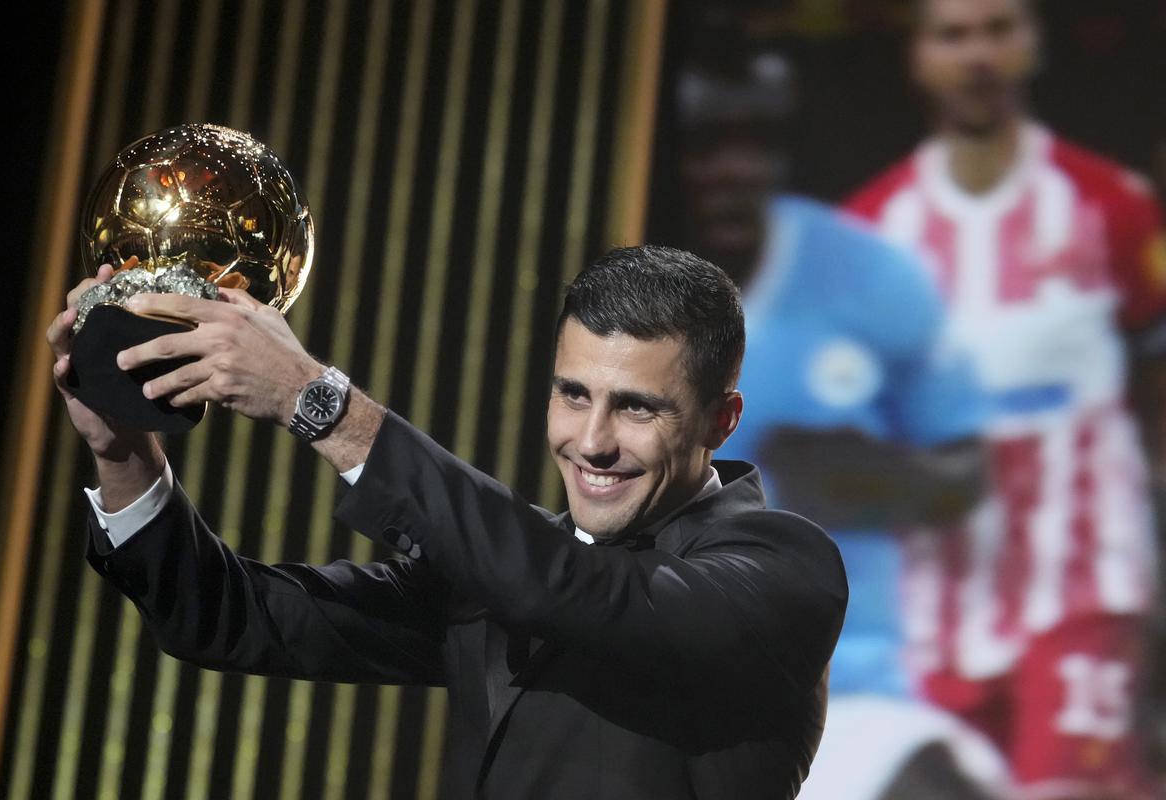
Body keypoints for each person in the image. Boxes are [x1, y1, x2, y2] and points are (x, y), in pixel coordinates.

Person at [46, 246, 848, 799]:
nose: (592, 441)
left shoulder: (786, 570)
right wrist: (123, 453)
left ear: (722, 420)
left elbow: (576, 593)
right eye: (573, 394)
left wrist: (320, 404)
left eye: (635, 407)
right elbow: (229, 619)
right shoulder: (506, 571)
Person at [845, 1, 1166, 797]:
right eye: (953, 35)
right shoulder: (873, 234)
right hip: (932, 614)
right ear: (917, 57)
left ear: (1034, 43)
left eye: (998, 29)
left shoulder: (1114, 205)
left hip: (1082, 588)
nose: (978, 54)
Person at [672, 50, 1005, 800]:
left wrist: (869, 478)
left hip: (842, 692)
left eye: (756, 141)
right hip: (651, 704)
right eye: (705, 145)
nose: (734, 168)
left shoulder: (872, 278)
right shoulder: (600, 303)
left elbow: (966, 475)